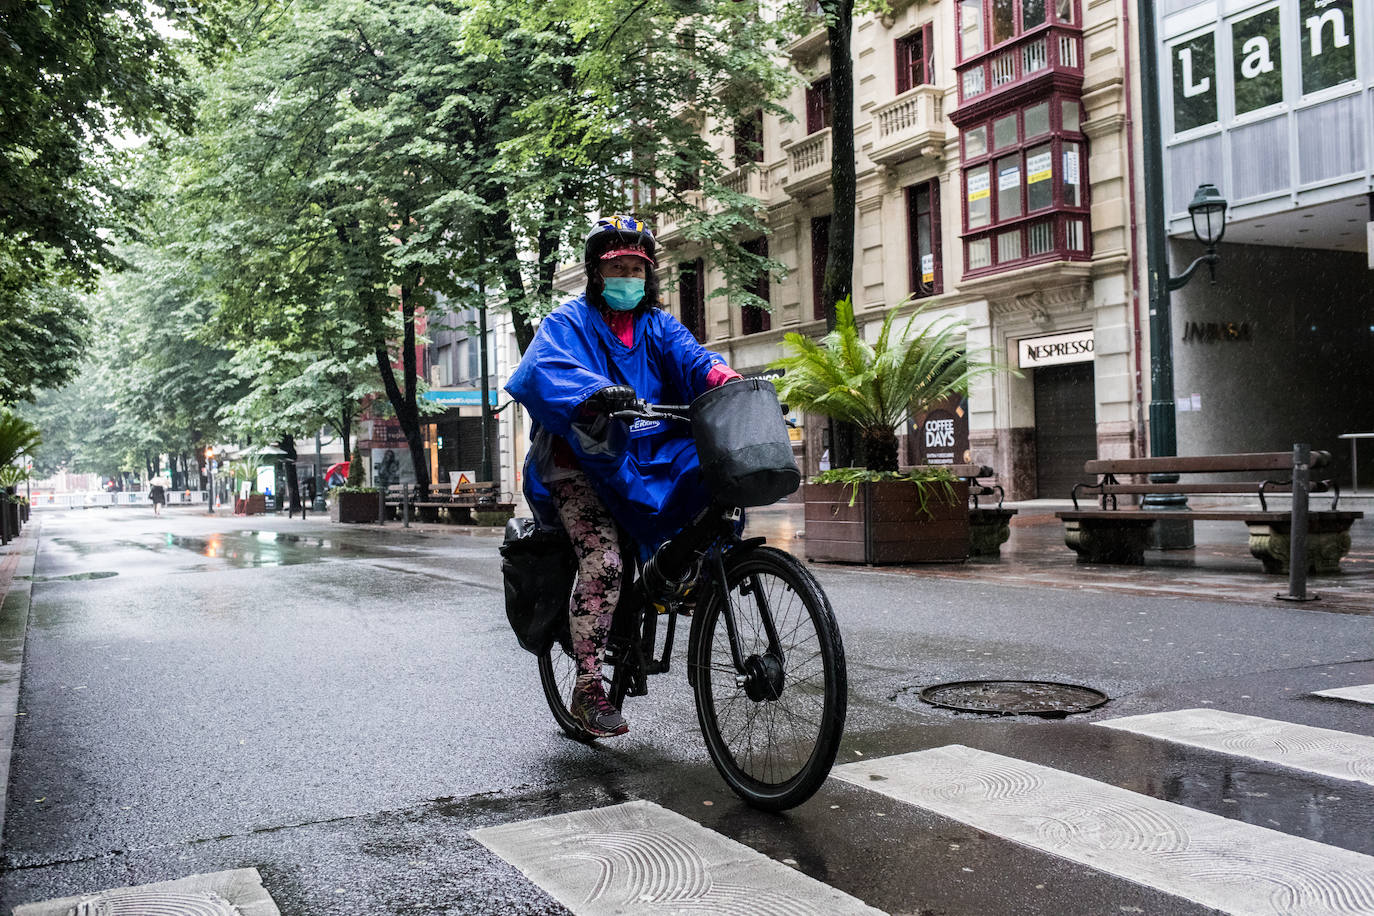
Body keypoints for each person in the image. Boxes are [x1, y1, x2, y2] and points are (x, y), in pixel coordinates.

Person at [506, 215, 741, 739]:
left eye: (637, 267)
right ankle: (588, 686)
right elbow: (543, 368)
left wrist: (726, 377)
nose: (628, 276)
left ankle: (678, 579)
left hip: (644, 453)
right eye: (618, 267)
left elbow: (695, 359)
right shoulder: (568, 321)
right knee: (605, 560)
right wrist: (595, 392)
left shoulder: (659, 326)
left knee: (710, 488)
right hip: (578, 461)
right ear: (596, 272)